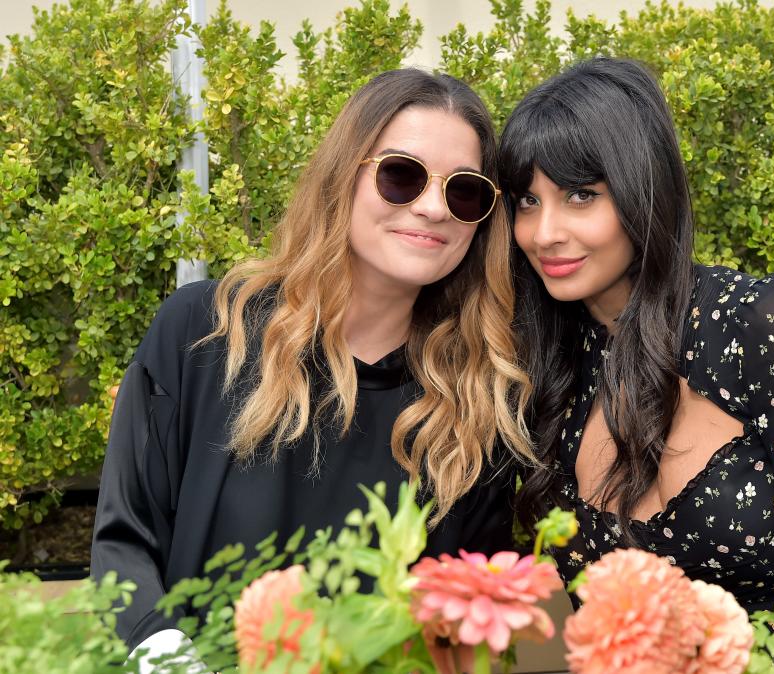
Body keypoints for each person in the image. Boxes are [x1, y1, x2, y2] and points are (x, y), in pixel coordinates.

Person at [92, 68, 535, 666]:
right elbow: (126, 544)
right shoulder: (204, 333)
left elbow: (466, 628)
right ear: (341, 178)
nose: (434, 209)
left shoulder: (477, 402)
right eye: (400, 175)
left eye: (465, 192)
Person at [499, 58, 774, 632]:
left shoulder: (763, 322)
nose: (544, 232)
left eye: (580, 195)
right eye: (527, 201)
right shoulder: (544, 359)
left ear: (640, 190)